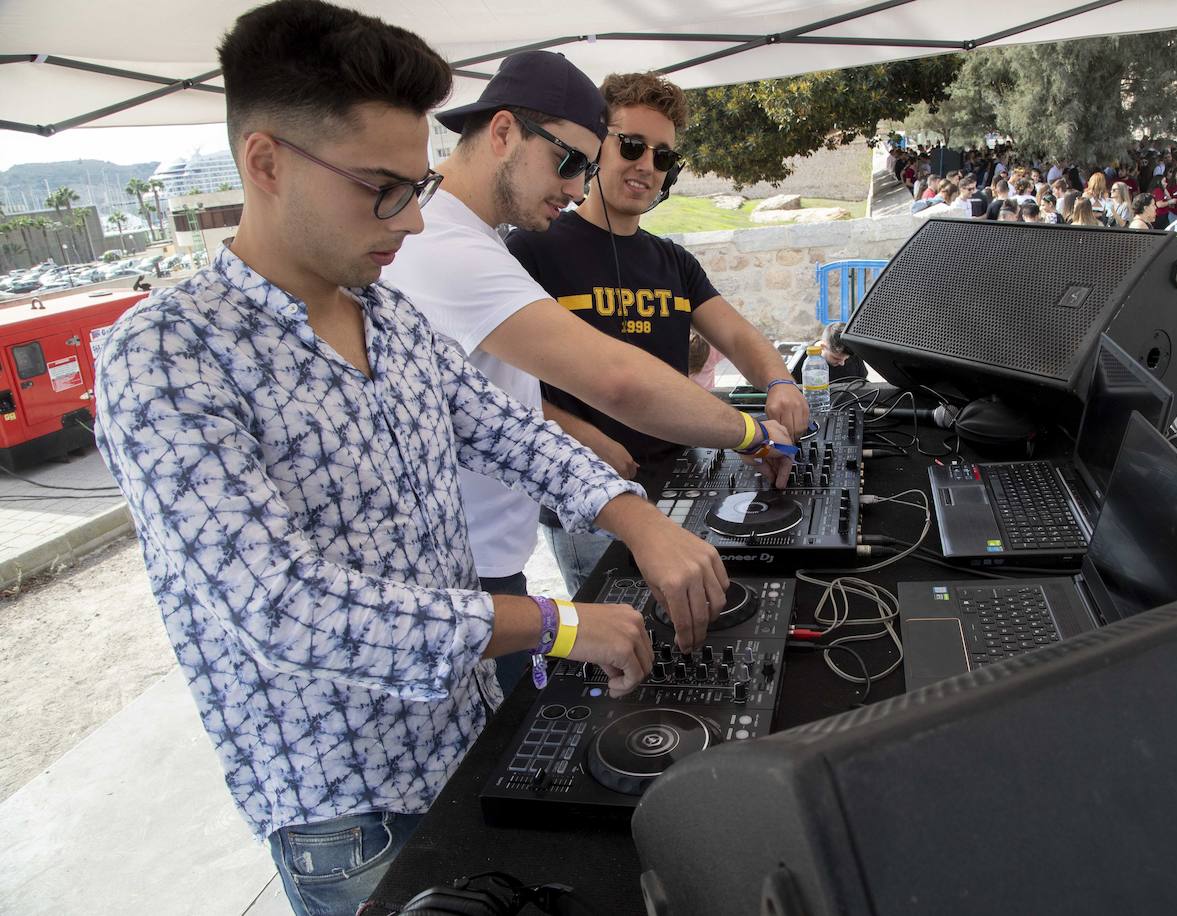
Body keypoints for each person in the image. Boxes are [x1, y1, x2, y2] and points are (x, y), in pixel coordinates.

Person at [92, 6, 723, 914]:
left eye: (415, 183)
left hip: (462, 738)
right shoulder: (167, 356)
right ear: (265, 163)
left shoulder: (385, 314)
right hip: (349, 811)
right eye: (380, 188)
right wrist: (557, 623)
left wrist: (635, 515)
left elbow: (507, 431)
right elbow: (286, 606)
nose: (415, 223)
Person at [501, 70, 808, 596]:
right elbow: (502, 388)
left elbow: (737, 337)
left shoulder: (674, 262)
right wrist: (583, 436)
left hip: (676, 482)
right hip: (588, 501)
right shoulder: (534, 249)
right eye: (633, 146)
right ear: (597, 147)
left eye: (663, 156)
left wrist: (779, 383)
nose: (647, 165)